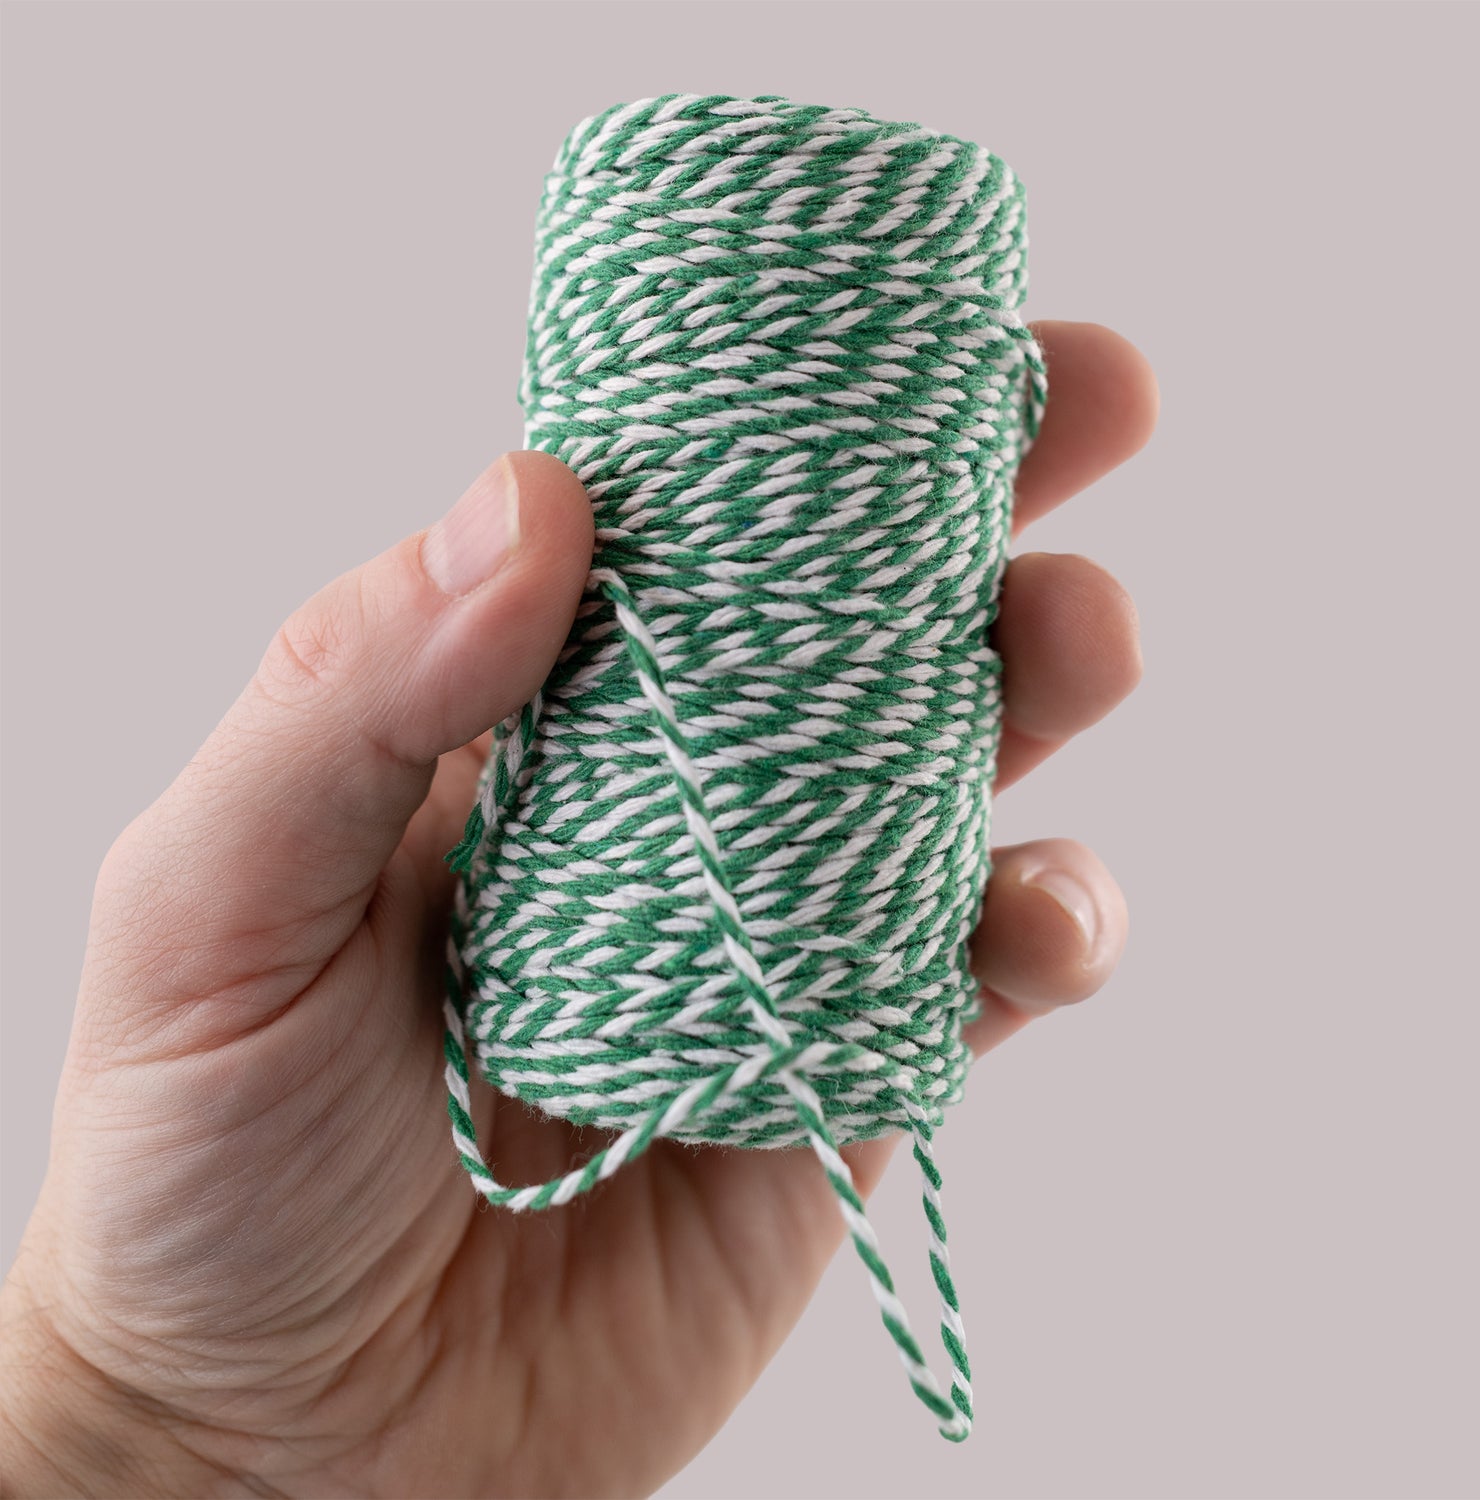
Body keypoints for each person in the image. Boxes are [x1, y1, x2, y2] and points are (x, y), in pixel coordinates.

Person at [0, 320, 1156, 1498]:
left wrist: (150, 1436)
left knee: (1061, 722)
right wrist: (135, 1414)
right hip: (597, 1046)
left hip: (642, 1034)